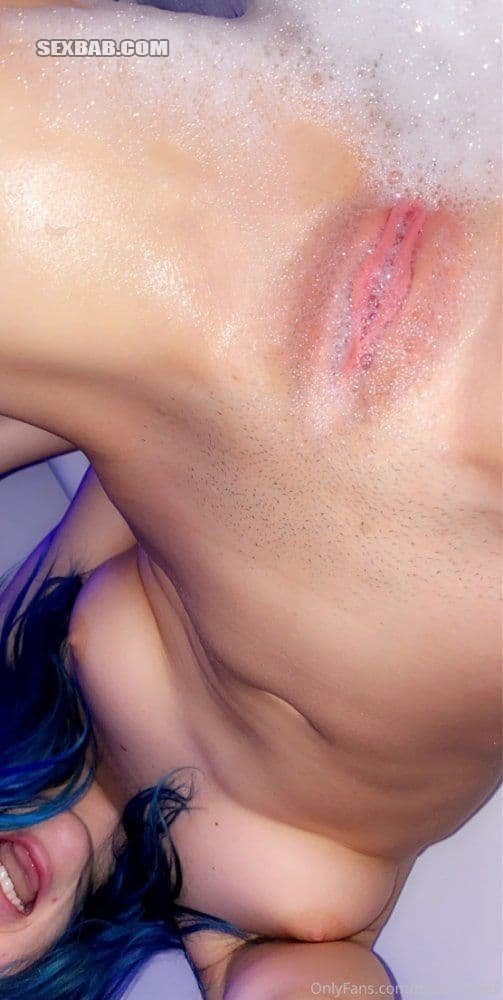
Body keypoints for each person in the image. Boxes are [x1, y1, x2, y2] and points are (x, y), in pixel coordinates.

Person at [0, 0, 501, 995]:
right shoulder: (241, 932)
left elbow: (92, 413)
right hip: (461, 458)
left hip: (313, 192)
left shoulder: (29, 654)